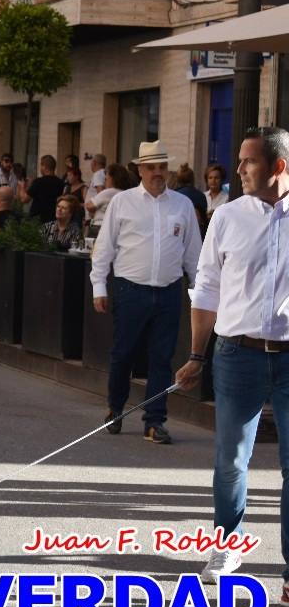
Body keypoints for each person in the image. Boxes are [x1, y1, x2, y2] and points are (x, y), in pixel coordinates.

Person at [174, 126, 289, 601]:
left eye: (249, 161)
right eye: (239, 160)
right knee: (230, 461)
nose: (239, 169)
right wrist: (197, 355)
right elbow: (206, 290)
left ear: (279, 167)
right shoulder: (225, 217)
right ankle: (226, 544)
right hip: (235, 354)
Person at [91, 140, 202, 444]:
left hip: (168, 292)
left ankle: (154, 422)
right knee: (123, 355)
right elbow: (104, 249)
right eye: (151, 167)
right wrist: (99, 285)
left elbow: (194, 254)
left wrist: (199, 292)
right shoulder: (122, 202)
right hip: (130, 290)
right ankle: (115, 408)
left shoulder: (182, 206)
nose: (157, 172)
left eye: (162, 167)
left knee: (162, 359)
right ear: (140, 169)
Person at [84, 162, 132, 230]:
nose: (104, 182)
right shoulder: (125, 193)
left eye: (106, 179)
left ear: (113, 179)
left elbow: (89, 205)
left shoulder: (109, 192)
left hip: (99, 226)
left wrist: (94, 211)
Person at [18, 154, 64, 222]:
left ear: (44, 167)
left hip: (37, 219)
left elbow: (24, 199)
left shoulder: (39, 182)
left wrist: (22, 186)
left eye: (41, 165)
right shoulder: (60, 183)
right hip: (53, 219)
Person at [175, 163, 208, 234]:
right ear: (193, 179)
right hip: (198, 233)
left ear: (177, 179)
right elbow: (204, 220)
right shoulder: (201, 196)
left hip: (179, 233)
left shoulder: (174, 196)